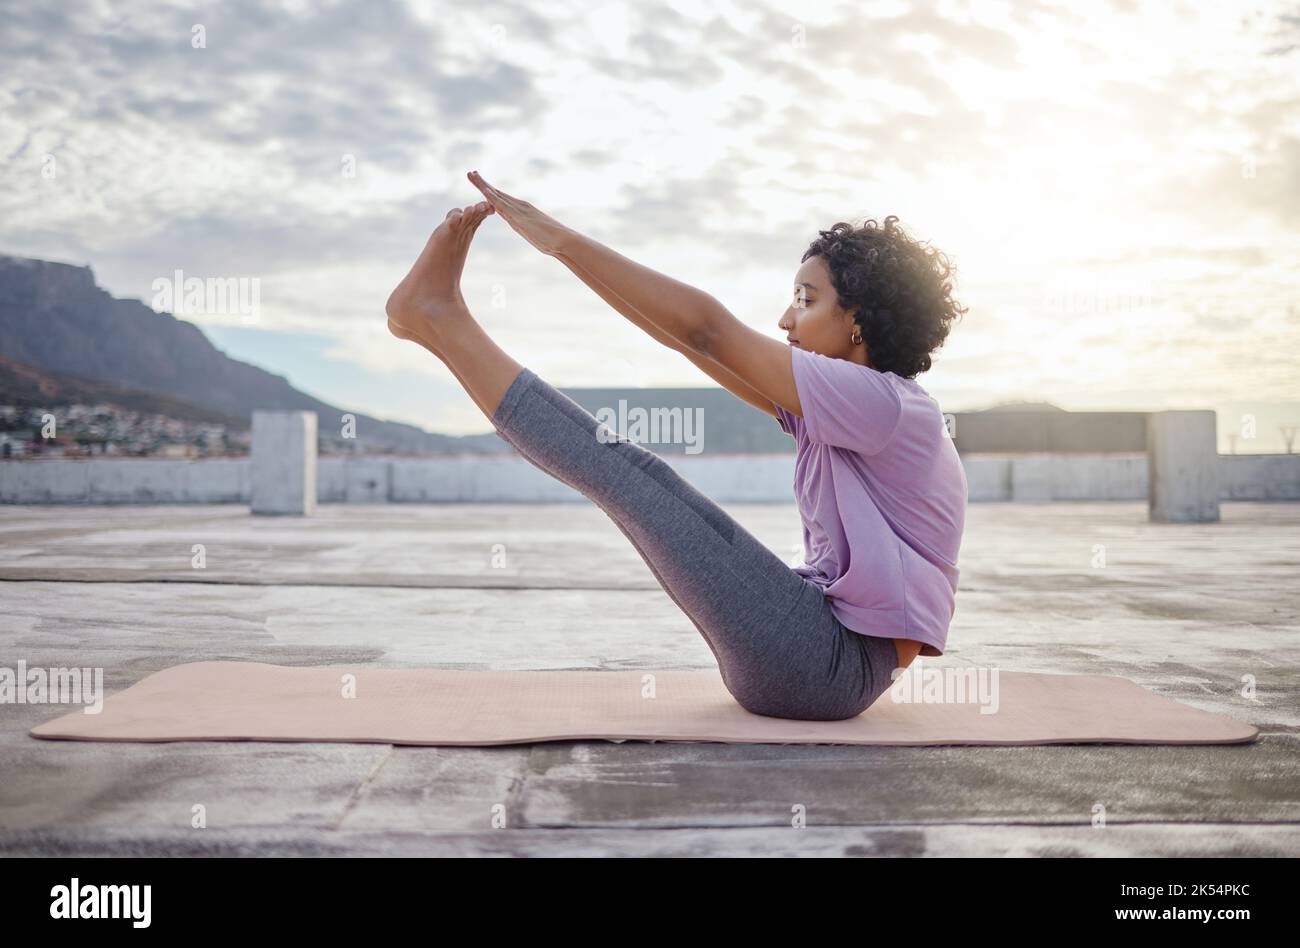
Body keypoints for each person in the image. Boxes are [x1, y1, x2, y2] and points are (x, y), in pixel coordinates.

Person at [384, 170, 967, 721]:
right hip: (818, 658)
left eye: (807, 299)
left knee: (634, 475)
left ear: (859, 320)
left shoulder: (887, 407)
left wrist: (560, 240)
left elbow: (706, 329)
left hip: (826, 666)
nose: (786, 317)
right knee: (632, 476)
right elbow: (694, 343)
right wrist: (567, 256)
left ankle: (441, 320)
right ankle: (435, 322)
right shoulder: (861, 408)